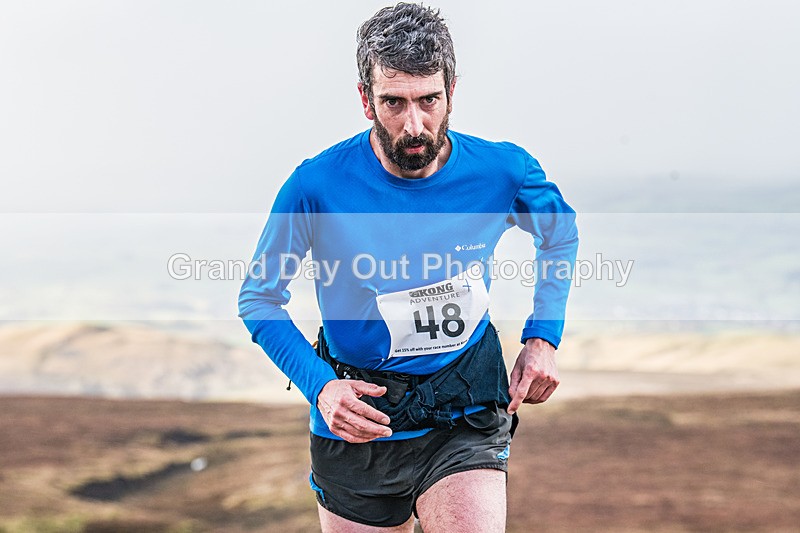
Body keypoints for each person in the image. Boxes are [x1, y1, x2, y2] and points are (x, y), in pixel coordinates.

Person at [238, 3, 578, 531]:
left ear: (452, 92)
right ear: (365, 100)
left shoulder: (503, 171)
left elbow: (560, 232)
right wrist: (321, 387)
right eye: (393, 102)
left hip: (465, 405)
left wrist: (544, 337)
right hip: (360, 419)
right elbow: (259, 298)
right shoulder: (316, 185)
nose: (414, 125)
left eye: (429, 100)